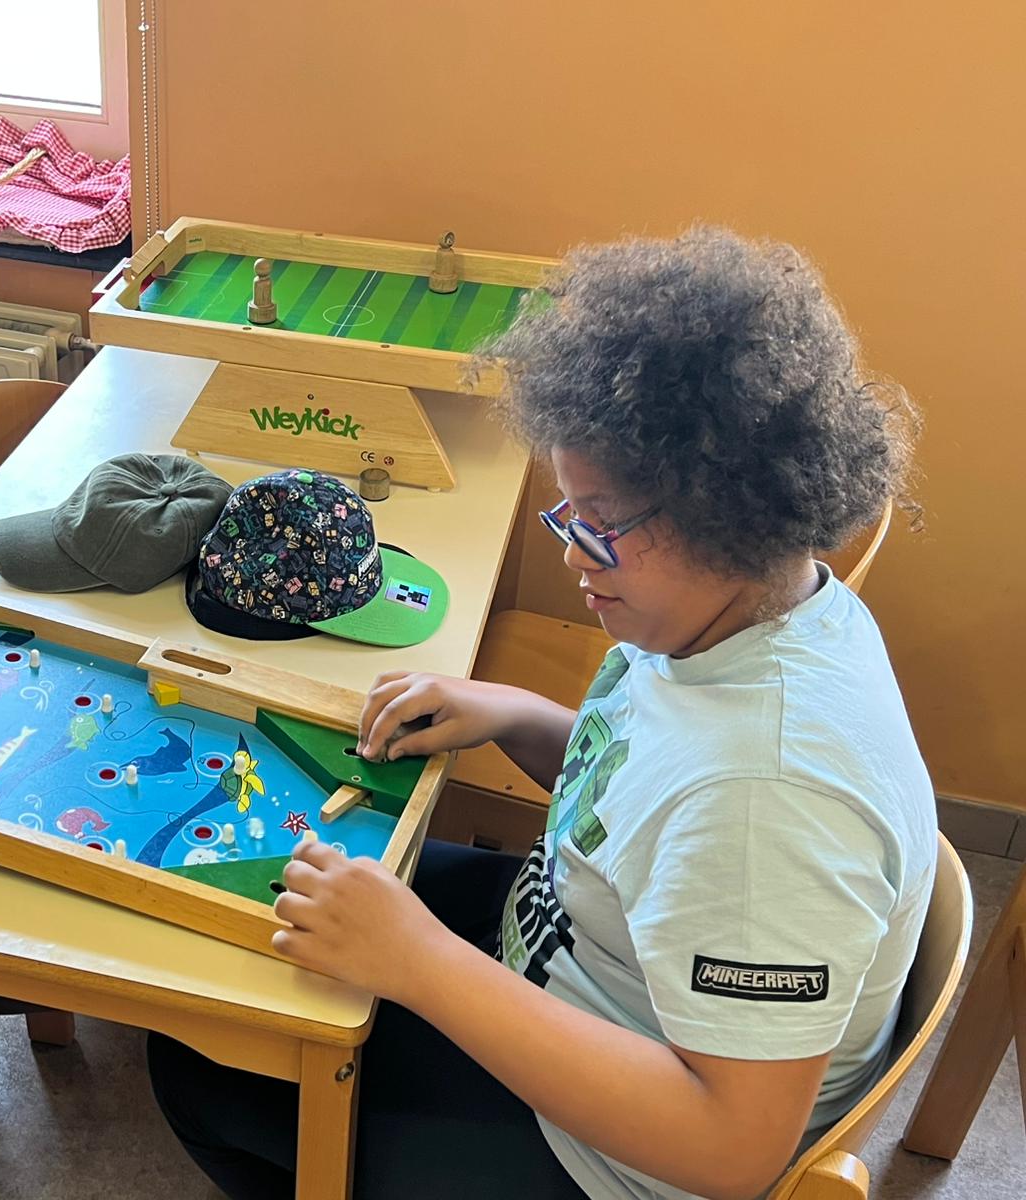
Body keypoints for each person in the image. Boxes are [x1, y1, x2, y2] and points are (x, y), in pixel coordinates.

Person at [148, 226, 933, 1200]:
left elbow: (731, 1150)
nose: (569, 553)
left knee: (203, 1066)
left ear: (722, 511)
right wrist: (516, 716)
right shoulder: (773, 607)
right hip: (577, 951)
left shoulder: (768, 800)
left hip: (606, 1159)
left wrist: (423, 963)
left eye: (596, 524)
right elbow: (649, 803)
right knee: (256, 933)